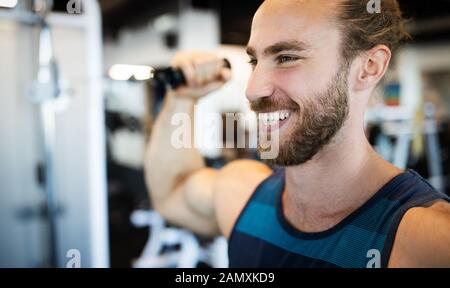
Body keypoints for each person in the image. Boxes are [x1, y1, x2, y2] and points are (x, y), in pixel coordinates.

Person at [144, 0, 450, 267]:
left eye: (287, 57)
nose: (252, 90)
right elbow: (170, 193)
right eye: (255, 60)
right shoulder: (244, 194)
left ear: (369, 67)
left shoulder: (425, 239)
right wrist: (182, 97)